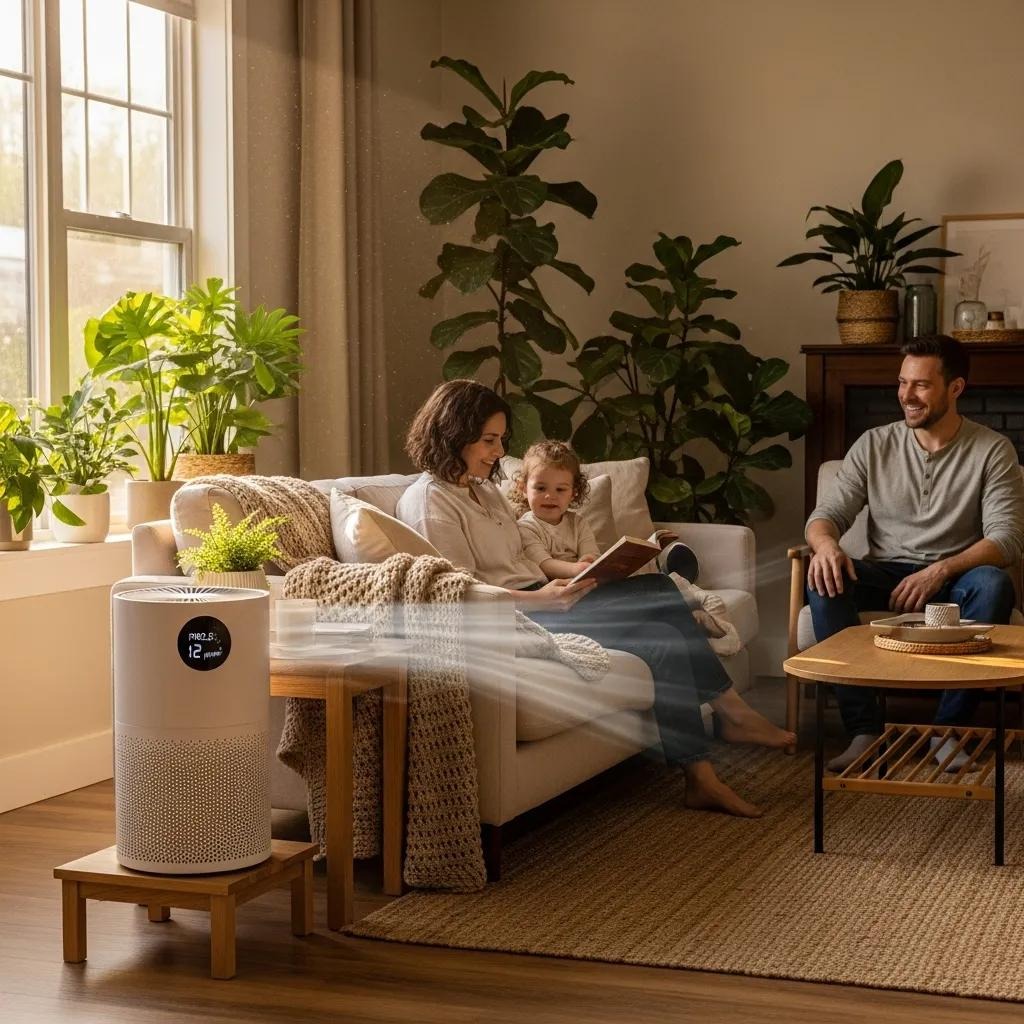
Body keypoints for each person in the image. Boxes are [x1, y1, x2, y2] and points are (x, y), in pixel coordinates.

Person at [396, 379, 795, 819]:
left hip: (547, 596)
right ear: (453, 433)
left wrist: (578, 577)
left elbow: (527, 554)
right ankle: (731, 710)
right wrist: (537, 601)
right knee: (661, 590)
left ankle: (700, 778)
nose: (497, 451)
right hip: (519, 614)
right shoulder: (430, 502)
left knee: (662, 636)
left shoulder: (483, 488)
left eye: (501, 439)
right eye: (489, 440)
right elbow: (457, 590)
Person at [805, 335, 1024, 771]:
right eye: (902, 382)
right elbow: (826, 514)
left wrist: (940, 570)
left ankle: (947, 733)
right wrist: (826, 545)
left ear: (955, 388)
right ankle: (864, 731)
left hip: (956, 581)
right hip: (888, 576)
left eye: (921, 385)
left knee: (994, 583)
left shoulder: (992, 450)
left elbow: (1007, 540)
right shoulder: (873, 444)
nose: (906, 396)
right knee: (823, 576)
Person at [508, 439, 700, 585]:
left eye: (560, 490)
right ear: (523, 488)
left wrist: (588, 561)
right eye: (541, 488)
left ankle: (669, 575)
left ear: (573, 493)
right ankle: (671, 580)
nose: (550, 496)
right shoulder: (526, 527)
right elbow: (545, 565)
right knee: (640, 587)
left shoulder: (578, 522)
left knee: (634, 579)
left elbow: (590, 553)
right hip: (560, 589)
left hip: (587, 580)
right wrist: (578, 569)